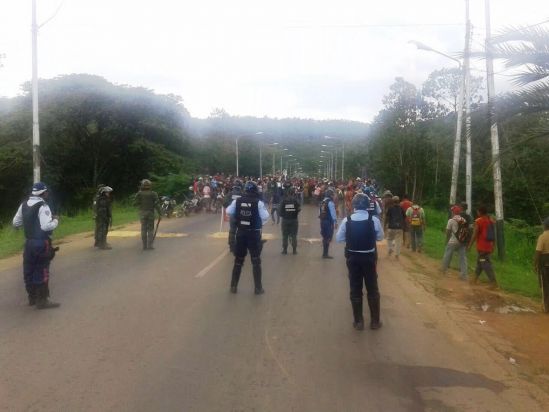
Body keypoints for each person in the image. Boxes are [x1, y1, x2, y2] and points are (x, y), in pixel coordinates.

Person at [336, 193, 384, 330]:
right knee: (372, 288)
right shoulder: (374, 220)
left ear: (354, 205)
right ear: (367, 205)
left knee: (355, 289)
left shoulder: (347, 220)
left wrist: (351, 240)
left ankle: (358, 322)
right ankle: (375, 322)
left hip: (352, 258)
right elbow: (380, 237)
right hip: (369, 258)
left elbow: (339, 238)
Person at [12, 182, 60, 309]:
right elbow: (45, 226)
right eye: (46, 192)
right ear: (43, 193)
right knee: (42, 269)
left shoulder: (24, 204)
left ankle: (32, 298)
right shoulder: (43, 206)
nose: (48, 194)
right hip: (41, 243)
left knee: (29, 269)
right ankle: (42, 300)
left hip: (28, 243)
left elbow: (16, 222)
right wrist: (55, 220)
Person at [226, 181, 270, 294]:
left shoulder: (237, 201)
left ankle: (233, 287)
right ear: (255, 190)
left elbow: (228, 211)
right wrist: (259, 223)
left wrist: (238, 217)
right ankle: (258, 288)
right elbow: (265, 216)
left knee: (238, 261)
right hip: (253, 234)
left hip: (241, 233)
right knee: (256, 261)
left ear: (244, 190)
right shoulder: (258, 203)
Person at [468, 206, 497, 287]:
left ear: (480, 212)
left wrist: (470, 245)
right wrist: (494, 246)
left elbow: (474, 234)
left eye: (477, 211)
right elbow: (494, 235)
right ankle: (474, 279)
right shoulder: (490, 221)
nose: (477, 213)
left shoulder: (479, 221)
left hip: (482, 247)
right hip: (488, 247)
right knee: (480, 262)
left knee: (484, 263)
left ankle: (493, 282)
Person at [441, 208, 468, 280]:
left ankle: (443, 270)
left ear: (453, 212)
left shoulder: (451, 220)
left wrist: (446, 241)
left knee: (447, 255)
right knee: (463, 258)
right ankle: (464, 275)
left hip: (453, 241)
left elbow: (448, 232)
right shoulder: (463, 220)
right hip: (462, 241)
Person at [134, 179, 161, 250]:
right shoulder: (153, 193)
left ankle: (144, 246)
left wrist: (140, 203)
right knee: (150, 230)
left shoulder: (139, 194)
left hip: (142, 213)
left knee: (143, 229)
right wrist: (160, 213)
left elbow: (134, 203)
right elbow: (157, 204)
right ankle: (150, 245)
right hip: (150, 213)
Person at [279, 186, 301, 255]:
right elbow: (299, 209)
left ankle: (285, 250)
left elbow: (280, 211)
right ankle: (294, 251)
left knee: (285, 235)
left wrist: (284, 215)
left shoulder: (283, 201)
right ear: (294, 193)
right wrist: (295, 213)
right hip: (294, 220)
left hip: (285, 220)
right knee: (294, 235)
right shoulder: (296, 201)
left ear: (288, 193)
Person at [535, 217, 549, 312]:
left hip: (545, 262)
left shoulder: (542, 236)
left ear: (545, 226)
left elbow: (538, 252)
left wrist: (535, 264)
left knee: (545, 285)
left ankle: (546, 307)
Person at [224, 180, 243, 253]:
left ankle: (231, 247)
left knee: (232, 230)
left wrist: (230, 206)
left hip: (232, 215)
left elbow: (224, 203)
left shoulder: (230, 194)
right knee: (242, 230)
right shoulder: (243, 194)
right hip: (242, 215)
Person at [319, 188, 338, 259]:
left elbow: (319, 213)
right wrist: (335, 222)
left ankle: (324, 253)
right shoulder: (330, 202)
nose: (333, 196)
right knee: (328, 237)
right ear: (330, 195)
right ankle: (325, 254)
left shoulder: (322, 202)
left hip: (322, 221)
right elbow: (333, 213)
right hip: (328, 222)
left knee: (324, 237)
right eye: (332, 195)